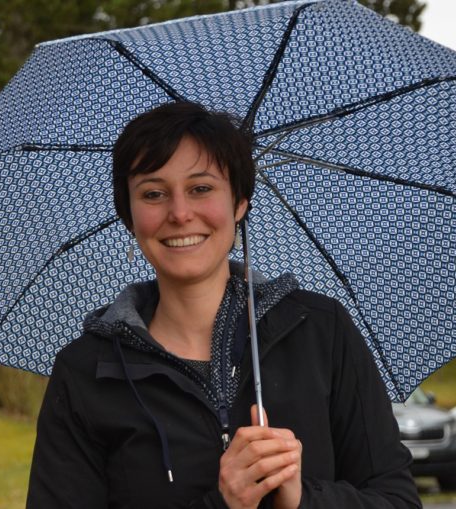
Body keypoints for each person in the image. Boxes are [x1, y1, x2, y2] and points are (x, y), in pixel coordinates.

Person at [26, 101, 422, 508]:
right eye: (153, 193)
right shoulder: (85, 372)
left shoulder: (321, 330)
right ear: (129, 216)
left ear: (239, 204)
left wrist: (303, 500)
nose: (180, 213)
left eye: (201, 188)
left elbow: (398, 500)